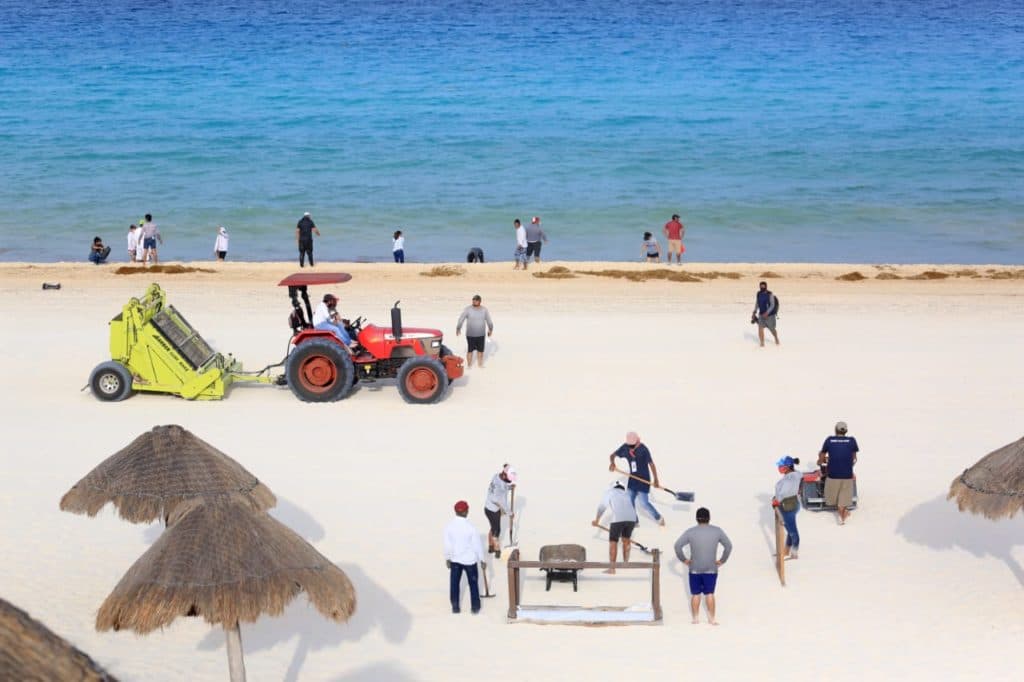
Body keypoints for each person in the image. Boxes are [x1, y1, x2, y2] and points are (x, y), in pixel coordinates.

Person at [674, 507, 732, 625]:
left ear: (697, 519)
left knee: (695, 594)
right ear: (709, 518)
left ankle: (695, 618)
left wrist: (684, 560)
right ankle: (712, 619)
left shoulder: (690, 532)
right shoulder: (717, 531)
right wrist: (722, 560)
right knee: (709, 593)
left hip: (695, 568)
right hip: (711, 568)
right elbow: (728, 546)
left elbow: (677, 546)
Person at [608, 431, 665, 526]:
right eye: (629, 445)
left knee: (644, 503)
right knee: (629, 501)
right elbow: (612, 455)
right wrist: (612, 463)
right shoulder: (625, 447)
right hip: (633, 480)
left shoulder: (643, 449)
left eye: (632, 445)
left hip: (644, 480)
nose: (630, 447)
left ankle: (658, 517)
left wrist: (656, 479)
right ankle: (634, 520)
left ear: (637, 441)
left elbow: (651, 464)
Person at [443, 500, 486, 614]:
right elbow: (477, 545)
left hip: (455, 559)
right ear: (466, 512)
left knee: (454, 584)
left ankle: (455, 607)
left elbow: (447, 545)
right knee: (473, 584)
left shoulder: (449, 527)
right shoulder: (471, 528)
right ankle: (475, 607)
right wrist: (482, 559)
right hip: (470, 560)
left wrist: (447, 558)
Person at [817, 421, 859, 525]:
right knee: (843, 498)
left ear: (835, 430)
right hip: (847, 475)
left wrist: (820, 461)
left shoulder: (829, 440)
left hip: (833, 475)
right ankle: (843, 510)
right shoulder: (852, 441)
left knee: (833, 498)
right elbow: (854, 458)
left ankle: (842, 513)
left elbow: (822, 455)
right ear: (846, 431)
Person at [592, 481, 638, 574]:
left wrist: (596, 520)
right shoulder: (627, 494)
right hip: (632, 518)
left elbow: (602, 507)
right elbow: (631, 507)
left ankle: (612, 569)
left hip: (618, 518)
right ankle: (626, 564)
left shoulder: (610, 492)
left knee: (613, 542)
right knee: (626, 540)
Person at [772, 456, 802, 559]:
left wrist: (776, 500)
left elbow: (784, 492)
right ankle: (786, 551)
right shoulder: (795, 474)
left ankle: (794, 552)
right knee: (790, 530)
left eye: (782, 466)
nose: (779, 468)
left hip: (787, 506)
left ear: (788, 467)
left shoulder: (789, 478)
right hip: (794, 504)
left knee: (792, 531)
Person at [483, 464, 516, 558]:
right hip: (493, 510)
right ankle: (497, 550)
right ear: (505, 475)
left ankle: (490, 546)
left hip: (487, 507)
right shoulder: (499, 490)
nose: (509, 481)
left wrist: (509, 488)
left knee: (493, 527)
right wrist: (510, 513)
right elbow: (503, 504)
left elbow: (504, 486)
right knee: (497, 530)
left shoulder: (496, 476)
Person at [456, 295, 493, 368]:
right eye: (473, 300)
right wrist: (458, 328)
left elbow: (489, 321)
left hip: (481, 334)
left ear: (480, 301)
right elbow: (461, 319)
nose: (474, 301)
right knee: (470, 350)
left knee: (480, 351)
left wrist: (490, 329)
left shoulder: (484, 310)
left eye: (476, 300)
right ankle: (469, 365)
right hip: (470, 334)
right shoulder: (468, 309)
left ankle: (480, 364)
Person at [751, 281, 780, 347]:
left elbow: (772, 305)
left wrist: (767, 313)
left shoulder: (770, 294)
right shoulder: (758, 294)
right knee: (760, 328)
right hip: (761, 314)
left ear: (766, 286)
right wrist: (754, 311)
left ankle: (776, 338)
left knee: (772, 329)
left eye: (763, 286)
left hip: (770, 315)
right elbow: (757, 303)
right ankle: (762, 343)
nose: (762, 287)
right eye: (761, 286)